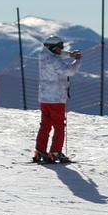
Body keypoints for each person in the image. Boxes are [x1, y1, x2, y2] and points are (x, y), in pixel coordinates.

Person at [34, 35, 81, 164]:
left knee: (45, 125)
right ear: (52, 48)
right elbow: (69, 71)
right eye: (59, 48)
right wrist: (77, 61)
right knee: (59, 126)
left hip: (44, 98)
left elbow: (58, 55)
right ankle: (55, 152)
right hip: (56, 98)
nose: (61, 50)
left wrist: (70, 54)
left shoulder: (43, 56)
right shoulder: (55, 61)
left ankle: (40, 151)